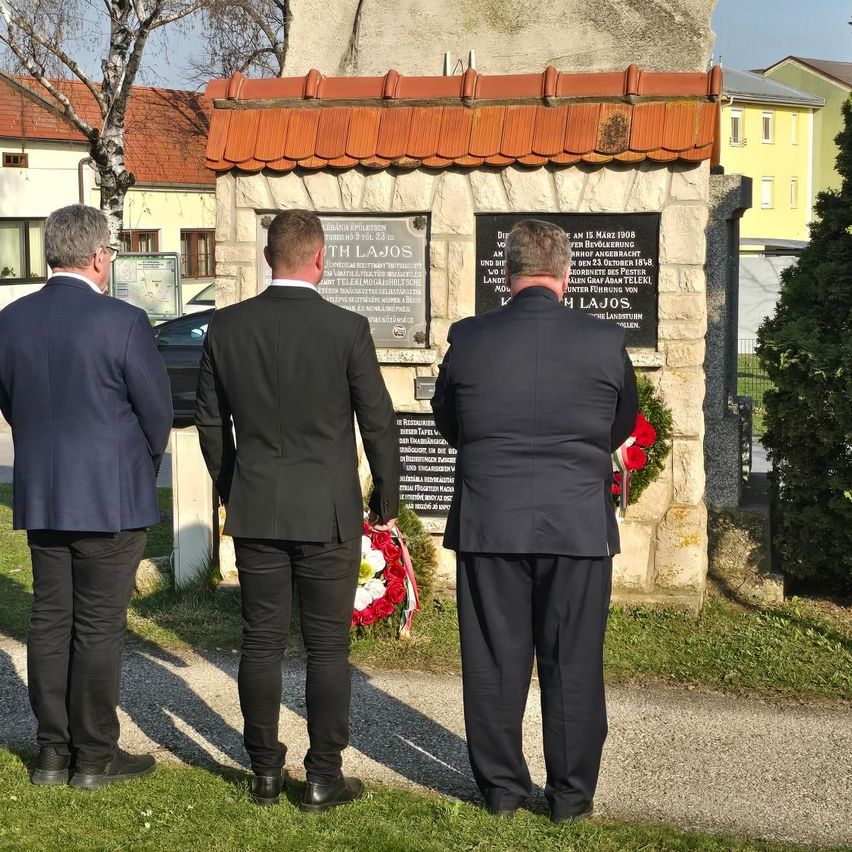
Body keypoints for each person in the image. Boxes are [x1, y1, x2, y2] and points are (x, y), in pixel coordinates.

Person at [432, 218, 638, 823]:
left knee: (494, 661)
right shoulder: (605, 341)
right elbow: (619, 425)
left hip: (490, 521)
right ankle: (570, 797)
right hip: (576, 525)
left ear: (507, 274)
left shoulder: (469, 339)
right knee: (572, 662)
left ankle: (502, 790)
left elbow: (450, 422)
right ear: (565, 275)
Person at [195, 209, 400, 810]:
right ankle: (322, 776)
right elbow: (378, 420)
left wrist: (232, 487)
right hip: (327, 512)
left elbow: (210, 422)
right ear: (320, 258)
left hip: (257, 505)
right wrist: (386, 497)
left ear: (268, 258)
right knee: (327, 647)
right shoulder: (347, 329)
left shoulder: (226, 326)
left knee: (260, 641)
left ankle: (263, 770)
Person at [0, 204, 173, 789]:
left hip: (44, 495)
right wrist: (141, 467)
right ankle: (94, 756)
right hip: (110, 497)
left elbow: (12, 403)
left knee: (50, 621)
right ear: (99, 256)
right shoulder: (123, 320)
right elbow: (157, 413)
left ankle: (53, 753)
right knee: (97, 625)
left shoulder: (10, 321)